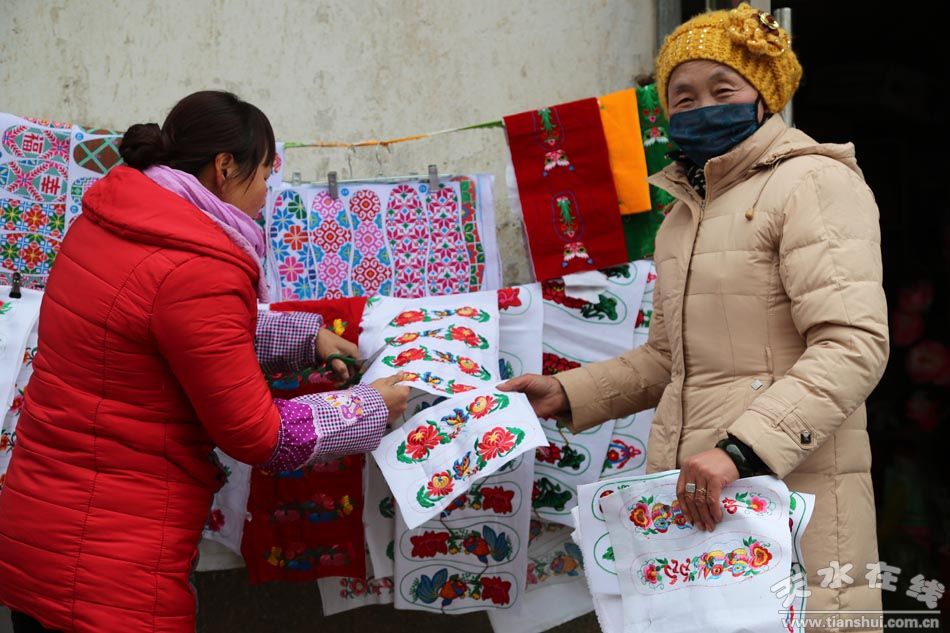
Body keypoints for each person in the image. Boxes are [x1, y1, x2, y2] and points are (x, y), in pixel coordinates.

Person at [502, 4, 888, 629]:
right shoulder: (683, 214)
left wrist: (742, 450)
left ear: (763, 97)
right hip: (700, 506)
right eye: (683, 96)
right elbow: (668, 358)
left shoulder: (813, 183)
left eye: (722, 89)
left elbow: (853, 346)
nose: (701, 106)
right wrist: (569, 392)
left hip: (791, 494)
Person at [0, 91, 409, 632]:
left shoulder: (107, 222)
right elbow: (260, 436)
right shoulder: (196, 265)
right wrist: (368, 407)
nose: (267, 194)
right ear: (225, 167)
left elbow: (172, 333)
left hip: (39, 531)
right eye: (265, 175)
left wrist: (307, 339)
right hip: (111, 563)